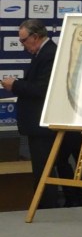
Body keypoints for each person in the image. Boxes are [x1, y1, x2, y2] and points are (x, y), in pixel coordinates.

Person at [1, 19, 59, 209]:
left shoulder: (49, 54)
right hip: (37, 123)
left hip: (42, 123)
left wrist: (15, 85)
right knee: (40, 167)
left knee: (43, 168)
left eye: (23, 40)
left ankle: (46, 207)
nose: (22, 45)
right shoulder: (42, 53)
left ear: (35, 37)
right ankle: (42, 205)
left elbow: (42, 89)